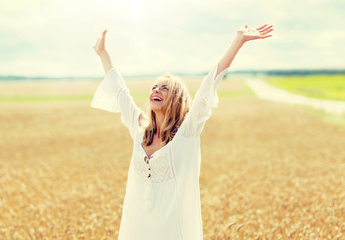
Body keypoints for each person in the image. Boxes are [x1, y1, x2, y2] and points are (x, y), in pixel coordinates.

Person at [91, 24, 273, 240]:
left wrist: (238, 41)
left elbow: (209, 85)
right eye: (154, 87)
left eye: (164, 88)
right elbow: (119, 89)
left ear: (176, 98)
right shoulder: (139, 128)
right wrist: (103, 53)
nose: (156, 90)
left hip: (171, 230)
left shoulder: (187, 131)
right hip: (137, 228)